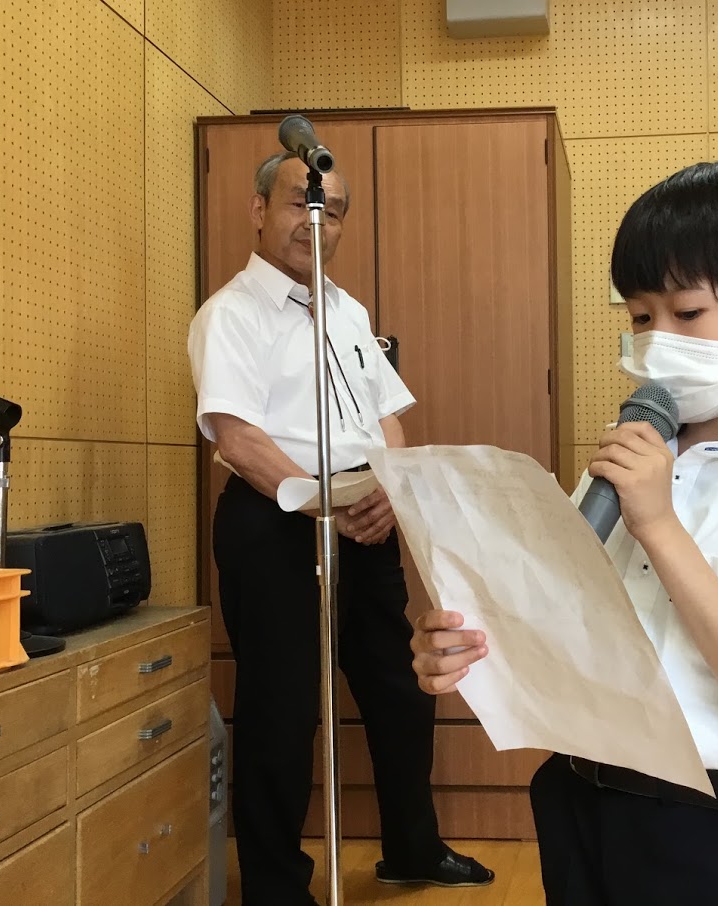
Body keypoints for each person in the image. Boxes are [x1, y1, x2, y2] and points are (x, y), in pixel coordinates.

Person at [410, 156, 718, 905]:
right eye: (640, 316)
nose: (657, 341)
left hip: (717, 830)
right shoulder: (629, 461)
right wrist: (466, 647)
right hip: (579, 799)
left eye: (687, 314)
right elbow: (561, 626)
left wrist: (659, 524)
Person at [188, 151, 492, 905]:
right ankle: (275, 887)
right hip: (277, 525)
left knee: (400, 689)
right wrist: (324, 501)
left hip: (367, 522)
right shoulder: (230, 315)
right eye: (300, 202)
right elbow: (238, 438)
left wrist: (388, 488)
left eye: (333, 211)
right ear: (259, 209)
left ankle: (412, 849)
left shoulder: (348, 311)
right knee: (283, 709)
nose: (315, 222)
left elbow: (386, 416)